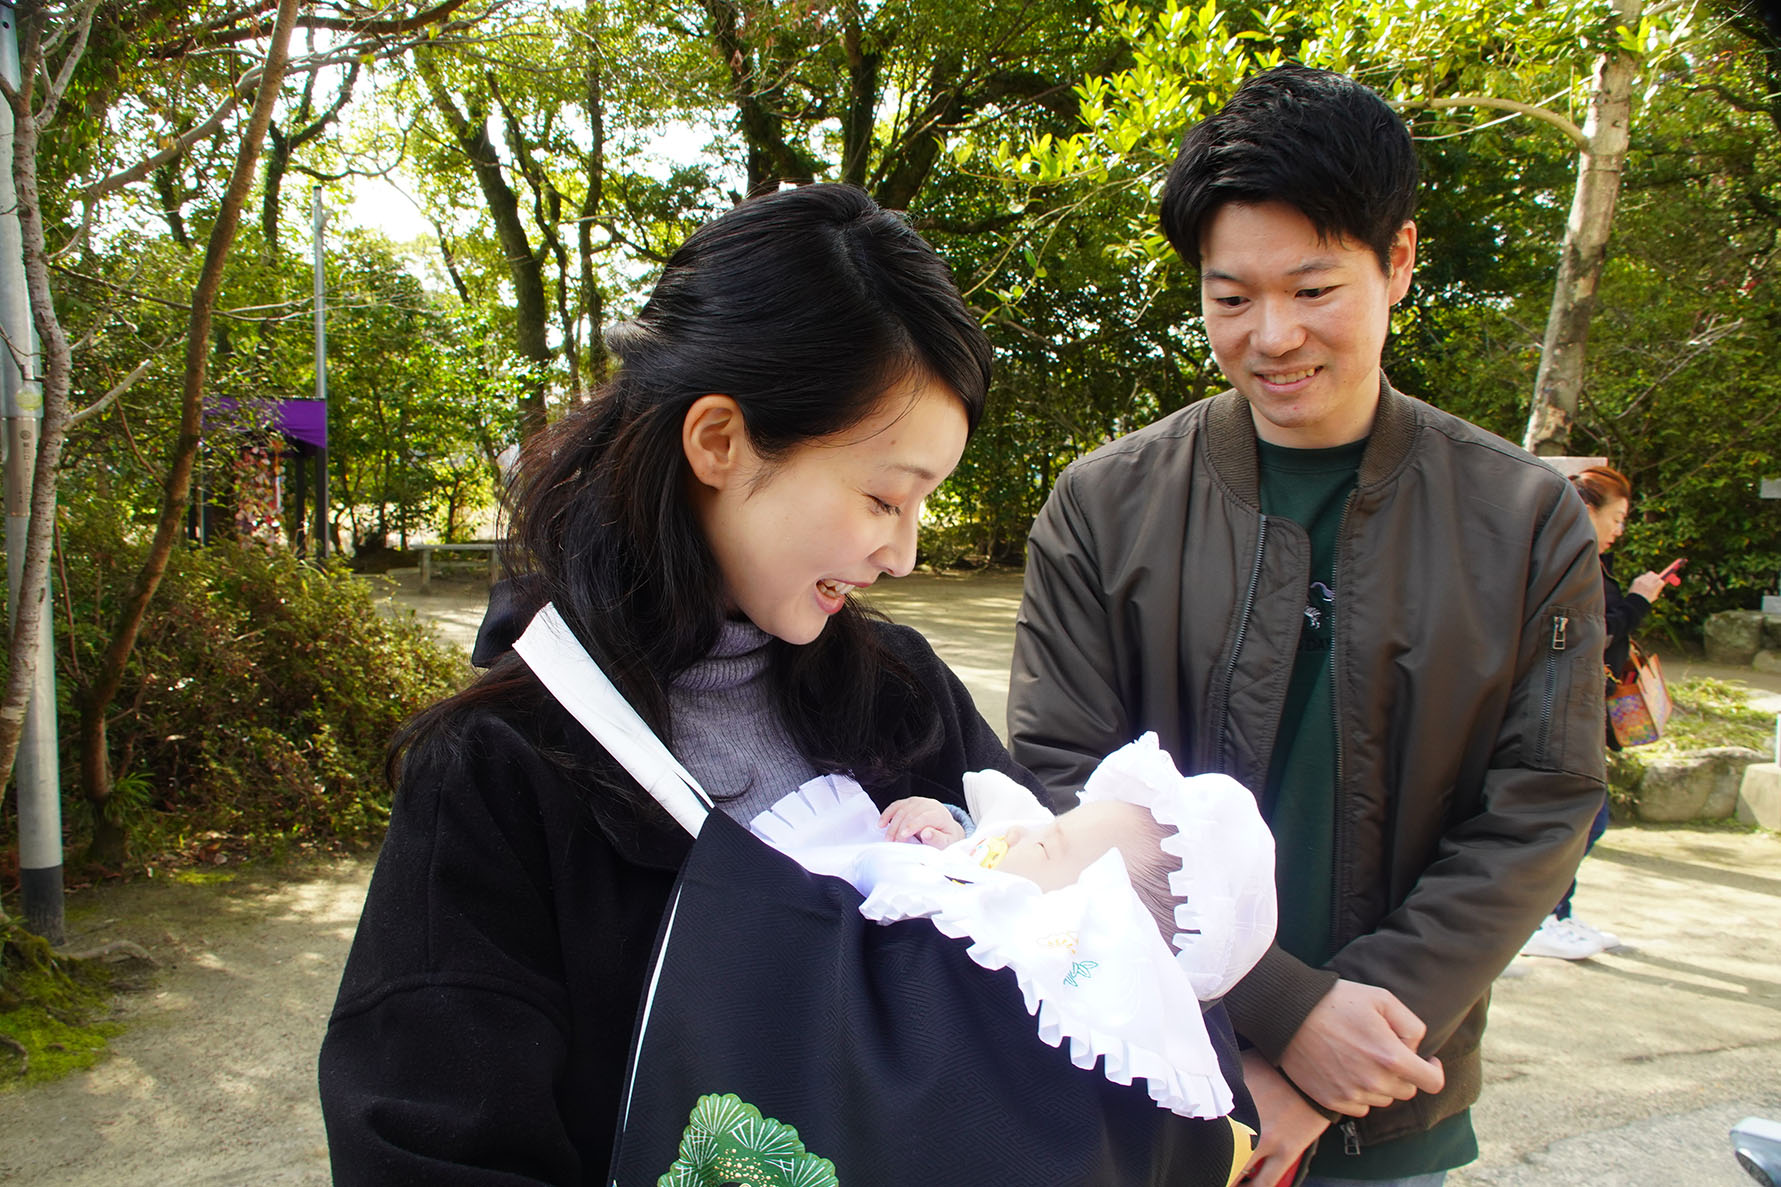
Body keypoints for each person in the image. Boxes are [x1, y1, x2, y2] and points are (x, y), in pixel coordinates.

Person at [317, 183, 1044, 1182]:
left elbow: (1062, 964)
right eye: (883, 496)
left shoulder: (903, 702)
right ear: (717, 440)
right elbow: (427, 1145)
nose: (903, 553)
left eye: (923, 504)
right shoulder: (499, 777)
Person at [1007, 64, 1608, 1187]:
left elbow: (1539, 804)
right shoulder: (1104, 504)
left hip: (1386, 1086)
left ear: (1399, 263)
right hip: (1134, 1067)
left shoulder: (1523, 519)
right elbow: (1057, 774)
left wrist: (1336, 1046)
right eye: (1229, 298)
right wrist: (1277, 1009)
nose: (1270, 335)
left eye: (1312, 287)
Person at [1521, 464, 1668, 960]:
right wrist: (1639, 601)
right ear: (1588, 510)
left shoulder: (1581, 561)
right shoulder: (1567, 564)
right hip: (1558, 715)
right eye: (1618, 517)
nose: (1619, 530)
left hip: (1576, 712)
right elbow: (1592, 637)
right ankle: (1540, 917)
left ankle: (1554, 913)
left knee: (1587, 819)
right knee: (1587, 818)